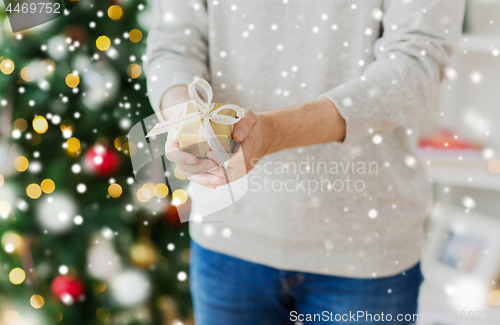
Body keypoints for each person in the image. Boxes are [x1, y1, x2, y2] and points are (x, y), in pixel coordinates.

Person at [145, 0, 465, 324]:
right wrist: (185, 118)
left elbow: (414, 65)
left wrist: (274, 132)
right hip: (228, 238)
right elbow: (174, 42)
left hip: (364, 251)